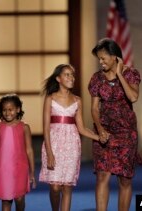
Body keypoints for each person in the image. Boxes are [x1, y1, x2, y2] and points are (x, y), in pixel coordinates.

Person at [88, 38, 142, 211]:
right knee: (102, 175)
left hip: (126, 133)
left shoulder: (130, 74)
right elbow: (95, 109)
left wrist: (119, 74)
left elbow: (133, 97)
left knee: (124, 178)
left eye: (103, 58)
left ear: (115, 57)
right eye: (99, 58)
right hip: (104, 132)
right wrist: (100, 129)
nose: (101, 62)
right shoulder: (97, 78)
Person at [39, 64, 102, 211]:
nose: (71, 78)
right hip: (53, 144)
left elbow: (81, 128)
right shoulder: (50, 99)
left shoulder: (77, 100)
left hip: (72, 145)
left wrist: (98, 137)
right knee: (55, 187)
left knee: (67, 187)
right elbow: (46, 128)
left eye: (72, 75)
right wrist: (49, 152)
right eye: (67, 75)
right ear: (58, 79)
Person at [0, 94, 36, 211]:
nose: (7, 113)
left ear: (18, 109)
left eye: (10, 109)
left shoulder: (25, 127)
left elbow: (29, 150)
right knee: (6, 200)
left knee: (19, 199)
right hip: (4, 169)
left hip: (20, 167)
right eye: (4, 110)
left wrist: (32, 172)